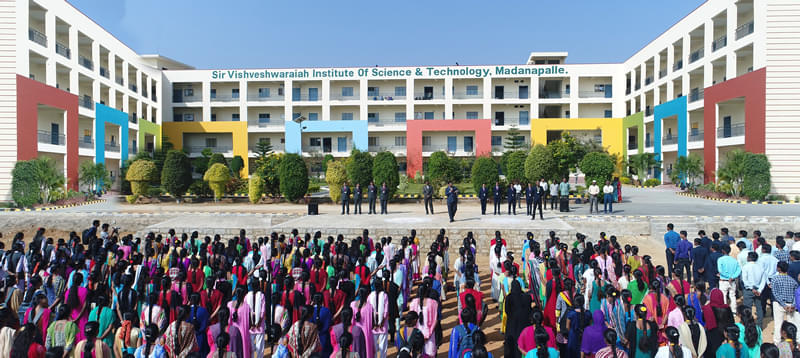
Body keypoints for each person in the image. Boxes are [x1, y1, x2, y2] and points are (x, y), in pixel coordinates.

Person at [771, 261, 800, 345]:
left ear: (778, 268)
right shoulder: (792, 280)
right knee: (792, 323)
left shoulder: (775, 279)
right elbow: (796, 294)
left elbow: (775, 293)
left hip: (779, 304)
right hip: (790, 304)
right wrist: (793, 305)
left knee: (778, 323)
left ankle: (777, 342)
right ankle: (794, 341)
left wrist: (783, 304)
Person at [742, 252, 767, 327]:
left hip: (749, 290)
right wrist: (759, 290)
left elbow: (744, 280)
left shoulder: (746, 266)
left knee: (747, 308)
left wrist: (751, 288)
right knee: (759, 308)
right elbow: (763, 280)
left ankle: (748, 324)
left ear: (749, 258)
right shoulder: (761, 267)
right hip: (758, 290)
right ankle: (759, 325)